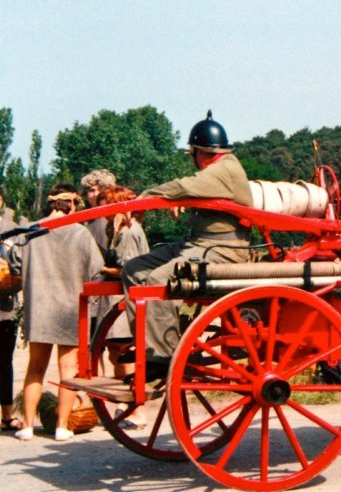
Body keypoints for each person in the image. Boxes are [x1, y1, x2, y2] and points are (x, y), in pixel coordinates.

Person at [120, 111, 253, 381]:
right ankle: (148, 347)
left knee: (157, 280)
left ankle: (164, 357)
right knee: (133, 270)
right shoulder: (218, 170)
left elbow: (185, 186)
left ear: (198, 151)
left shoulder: (225, 168)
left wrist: (147, 197)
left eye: (191, 153)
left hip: (223, 250)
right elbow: (193, 190)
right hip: (198, 243)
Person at [8, 184, 104, 441]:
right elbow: (97, 270)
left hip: (39, 306)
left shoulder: (30, 232)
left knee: (35, 368)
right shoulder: (81, 234)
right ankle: (62, 425)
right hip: (71, 308)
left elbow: (15, 265)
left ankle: (27, 425)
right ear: (72, 204)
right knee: (68, 370)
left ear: (50, 204)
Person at [92, 186, 150, 428]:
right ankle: (124, 406)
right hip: (119, 300)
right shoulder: (122, 229)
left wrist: (100, 267)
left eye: (107, 205)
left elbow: (129, 269)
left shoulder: (126, 232)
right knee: (118, 353)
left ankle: (134, 409)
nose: (103, 210)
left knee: (123, 353)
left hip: (123, 300)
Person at [0, 202, 21, 432]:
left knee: (4, 363)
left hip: (4, 308)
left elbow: (17, 266)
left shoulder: (10, 229)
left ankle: (6, 415)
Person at [80, 169, 117, 253]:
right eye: (92, 190)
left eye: (101, 190)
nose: (96, 194)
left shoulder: (113, 218)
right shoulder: (83, 220)